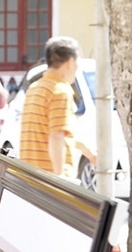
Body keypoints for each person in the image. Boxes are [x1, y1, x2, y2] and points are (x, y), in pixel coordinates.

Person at [19, 36, 95, 176]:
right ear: (70, 62)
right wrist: (59, 179)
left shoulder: (34, 88)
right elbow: (56, 137)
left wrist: (86, 150)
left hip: (31, 177)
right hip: (49, 181)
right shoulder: (60, 91)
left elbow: (48, 133)